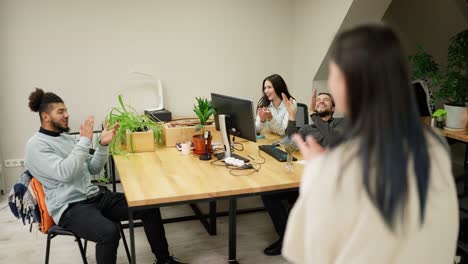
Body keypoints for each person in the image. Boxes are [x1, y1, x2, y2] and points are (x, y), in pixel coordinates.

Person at [283, 24, 458, 263]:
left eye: (332, 74)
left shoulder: (339, 167)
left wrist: (317, 170)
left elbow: (307, 252)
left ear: (345, 83)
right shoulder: (435, 145)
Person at [24, 88, 184, 264]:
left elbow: (92, 168)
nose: (67, 115)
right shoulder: (36, 146)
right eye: (60, 112)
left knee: (149, 207)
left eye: (66, 110)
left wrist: (102, 145)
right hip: (69, 207)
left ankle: (164, 261)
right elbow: (65, 173)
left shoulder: (66, 139)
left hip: (94, 196)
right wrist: (84, 141)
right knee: (109, 233)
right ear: (45, 116)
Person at [260, 91, 345, 256]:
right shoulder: (308, 127)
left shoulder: (341, 124)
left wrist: (314, 115)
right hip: (305, 178)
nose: (320, 101)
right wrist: (292, 116)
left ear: (333, 107)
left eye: (325, 100)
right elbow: (291, 141)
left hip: (330, 182)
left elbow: (332, 140)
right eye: (318, 99)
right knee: (269, 195)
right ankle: (286, 239)